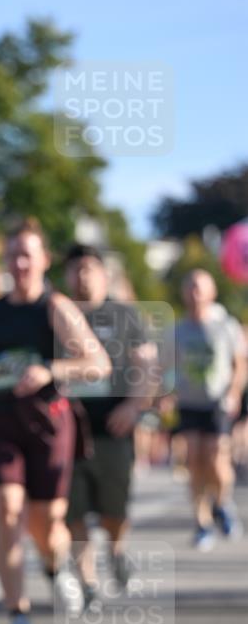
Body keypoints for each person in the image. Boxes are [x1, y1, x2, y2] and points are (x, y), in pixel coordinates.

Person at [0, 218, 111, 624]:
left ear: (43, 260)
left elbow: (98, 363)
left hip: (47, 422)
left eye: (27, 254)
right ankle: (18, 615)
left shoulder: (56, 307)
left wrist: (50, 368)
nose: (20, 262)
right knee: (8, 514)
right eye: (13, 254)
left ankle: (57, 565)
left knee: (46, 523)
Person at [63, 244, 157, 601]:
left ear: (104, 274)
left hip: (114, 428)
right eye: (75, 269)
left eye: (89, 268)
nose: (82, 276)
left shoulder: (125, 315)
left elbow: (146, 365)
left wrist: (134, 407)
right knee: (74, 511)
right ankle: (87, 580)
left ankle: (116, 552)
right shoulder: (59, 313)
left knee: (113, 510)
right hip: (70, 430)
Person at [173, 270, 247, 549]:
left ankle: (222, 502)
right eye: (190, 287)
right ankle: (202, 523)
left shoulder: (225, 327)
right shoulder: (177, 330)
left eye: (200, 288)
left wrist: (234, 392)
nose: (195, 293)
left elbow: (239, 365)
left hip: (217, 402)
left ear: (211, 293)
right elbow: (166, 368)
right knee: (194, 460)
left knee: (216, 461)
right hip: (189, 403)